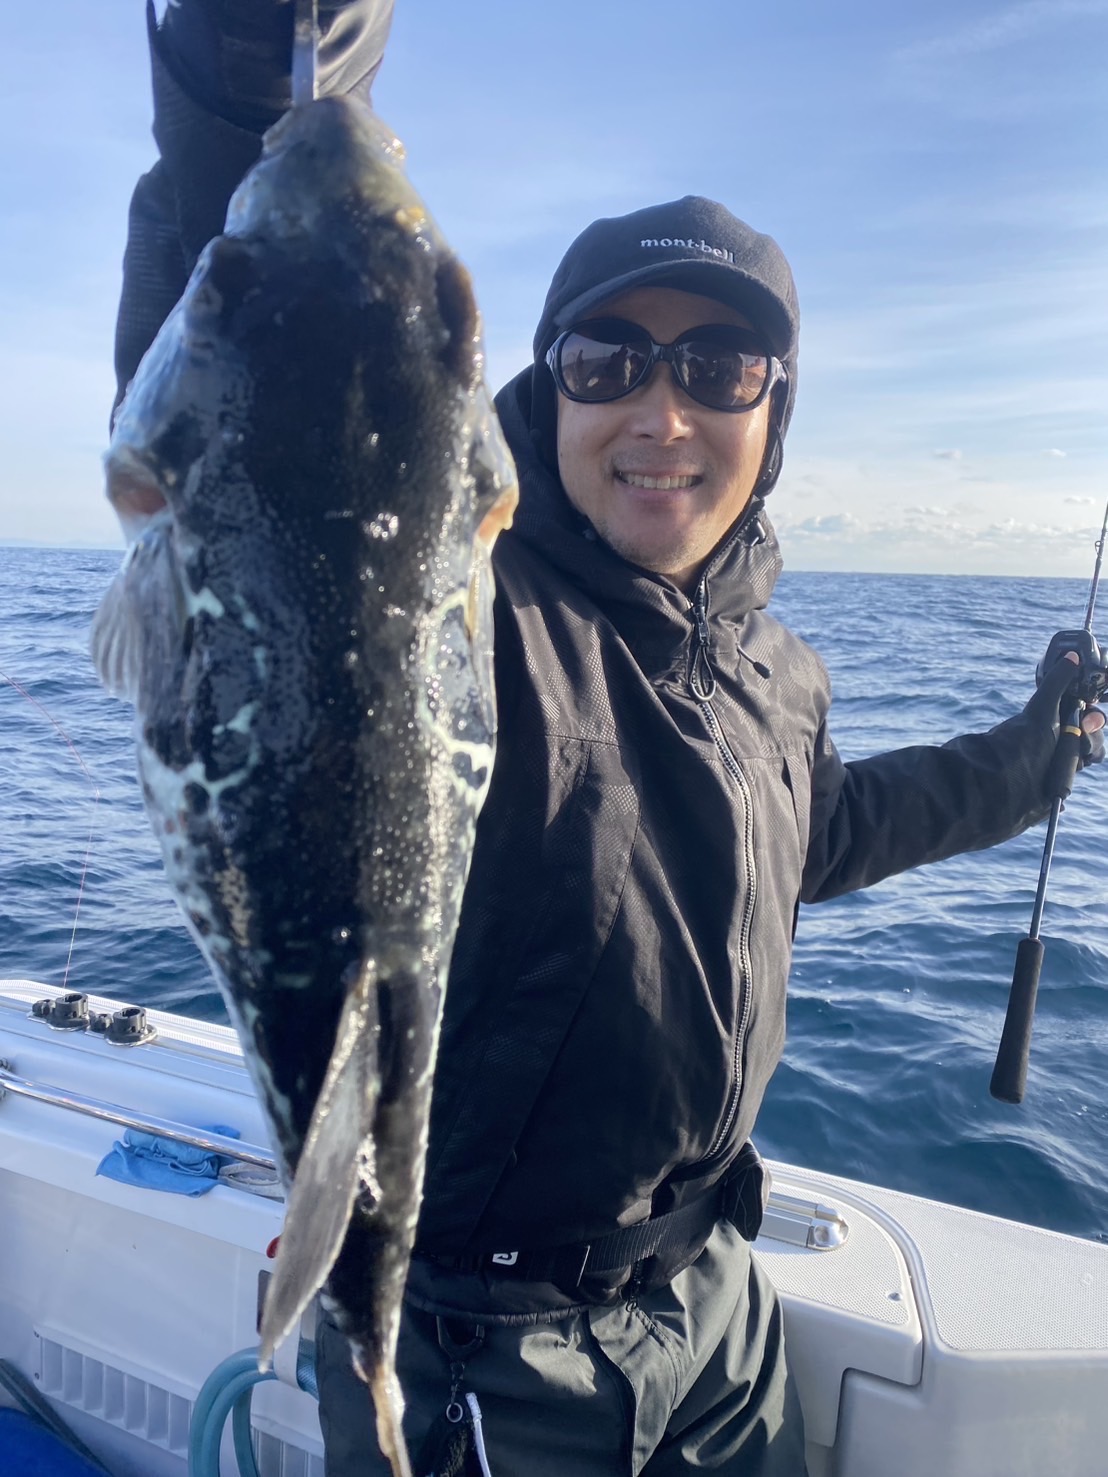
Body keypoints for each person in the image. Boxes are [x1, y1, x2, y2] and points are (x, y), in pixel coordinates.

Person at [112, 5, 1104, 1474]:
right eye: (607, 360)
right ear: (531, 386)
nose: (662, 411)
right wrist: (262, 61)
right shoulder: (471, 606)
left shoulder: (772, 668)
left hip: (718, 1310)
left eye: (720, 366)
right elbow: (274, 418)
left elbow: (824, 830)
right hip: (485, 1366)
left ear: (775, 411)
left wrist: (1042, 751)